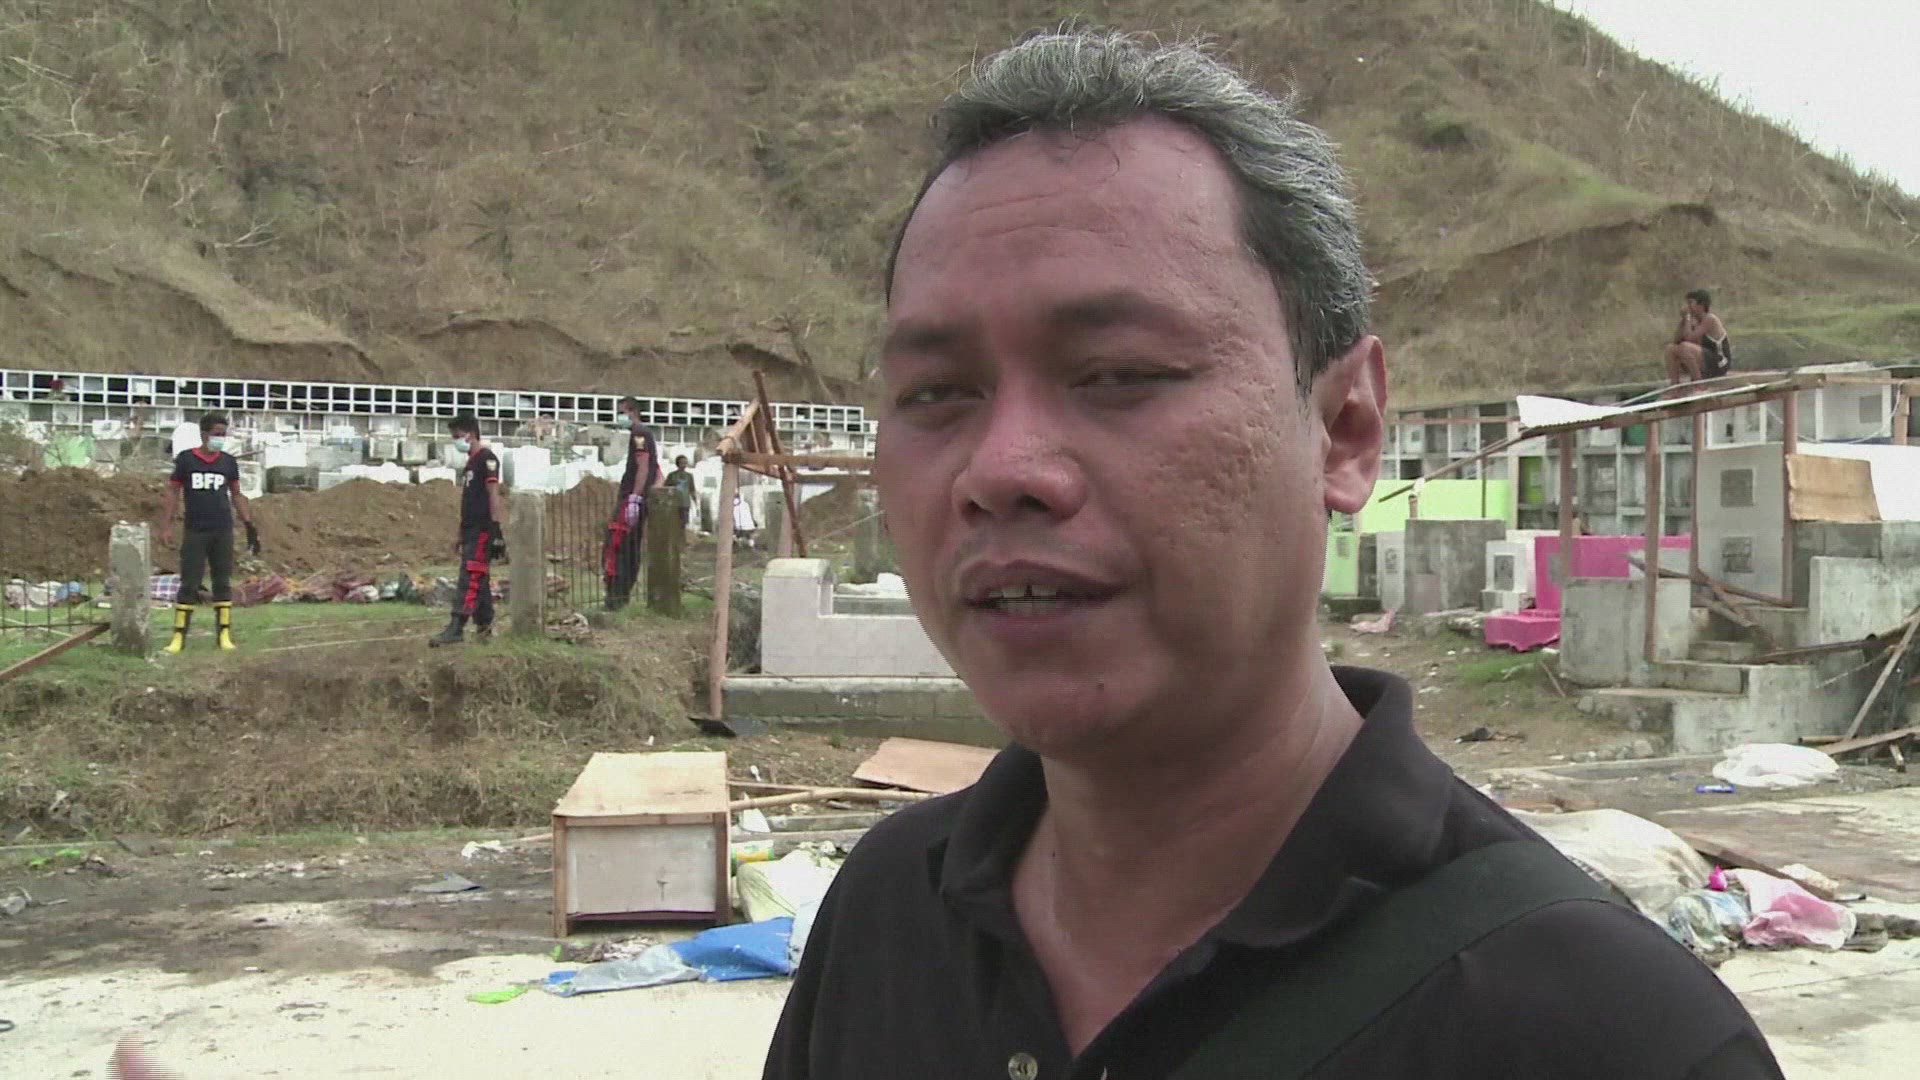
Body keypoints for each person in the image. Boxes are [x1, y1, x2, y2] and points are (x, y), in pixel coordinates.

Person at [765, 29, 1782, 1080]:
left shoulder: (1611, 1039)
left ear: (1343, 429)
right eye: (936, 393)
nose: (1001, 469)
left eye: (1117, 373)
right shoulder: (887, 916)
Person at [158, 413, 259, 653]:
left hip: (222, 529)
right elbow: (173, 493)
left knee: (222, 582)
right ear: (204, 434)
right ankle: (179, 636)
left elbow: (236, 494)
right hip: (195, 530)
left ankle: (223, 634)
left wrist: (249, 524)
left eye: (223, 434)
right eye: (216, 434)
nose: (220, 439)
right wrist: (166, 525)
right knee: (190, 582)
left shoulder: (228, 462)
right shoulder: (186, 460)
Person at [429, 413, 506, 647]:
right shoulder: (470, 463)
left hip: (483, 528)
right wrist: (460, 535)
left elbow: (493, 494)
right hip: (470, 529)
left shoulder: (487, 459)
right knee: (480, 578)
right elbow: (468, 502)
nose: (456, 441)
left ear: (470, 434)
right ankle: (485, 625)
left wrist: (496, 529)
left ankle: (457, 626)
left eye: (457, 436)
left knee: (471, 576)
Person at [603, 396, 661, 610]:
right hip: (638, 497)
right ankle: (621, 594)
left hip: (631, 497)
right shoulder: (645, 433)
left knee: (618, 544)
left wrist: (635, 497)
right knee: (630, 546)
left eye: (621, 412)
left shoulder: (639, 433)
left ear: (632, 412)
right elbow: (656, 470)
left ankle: (616, 595)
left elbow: (643, 465)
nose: (619, 417)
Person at [1666, 288, 1733, 386]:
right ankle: (1675, 385)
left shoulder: (1710, 319)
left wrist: (1687, 318)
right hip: (1704, 360)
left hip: (1719, 363)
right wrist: (1683, 321)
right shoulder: (1693, 321)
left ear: (1701, 305)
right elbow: (1676, 340)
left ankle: (1699, 384)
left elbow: (1689, 338)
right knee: (1670, 349)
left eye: (1690, 303)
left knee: (1685, 347)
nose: (1687, 307)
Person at [664, 454, 697, 531]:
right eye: (682, 463)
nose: (684, 465)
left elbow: (692, 489)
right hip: (674, 503)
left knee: (683, 523)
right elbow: (666, 488)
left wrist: (695, 501)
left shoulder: (689, 476)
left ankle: (682, 536)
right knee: (673, 523)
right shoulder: (672, 475)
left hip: (685, 503)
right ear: (677, 464)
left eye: (685, 463)